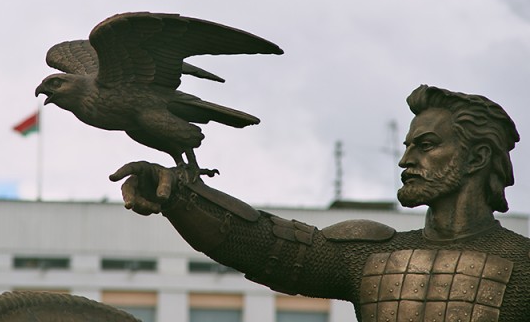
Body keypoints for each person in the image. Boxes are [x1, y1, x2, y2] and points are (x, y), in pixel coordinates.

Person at [110, 85, 529, 322]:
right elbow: (265, 246)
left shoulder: (523, 264)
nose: (406, 160)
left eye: (427, 145)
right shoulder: (371, 254)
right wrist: (177, 195)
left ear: (476, 158)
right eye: (407, 147)